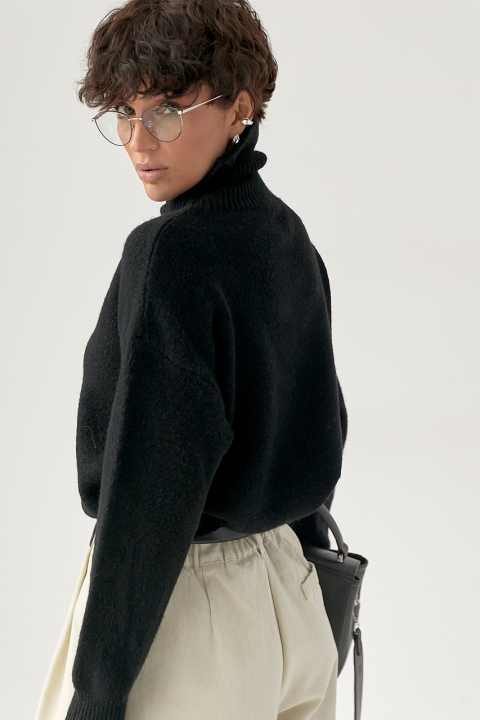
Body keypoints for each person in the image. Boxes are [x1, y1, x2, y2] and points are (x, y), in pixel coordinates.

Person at [33, 1, 348, 719]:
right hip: (293, 600)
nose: (140, 141)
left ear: (242, 107)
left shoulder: (168, 255)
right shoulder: (287, 235)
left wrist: (99, 690)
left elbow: (149, 487)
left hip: (183, 617)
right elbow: (319, 427)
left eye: (169, 111)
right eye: (125, 112)